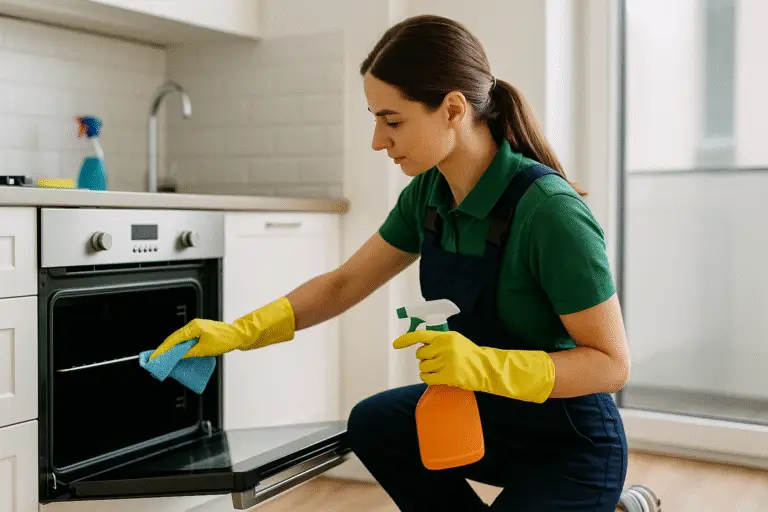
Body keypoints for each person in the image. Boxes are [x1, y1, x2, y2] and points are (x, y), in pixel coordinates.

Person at [150, 14, 631, 511]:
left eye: (392, 120)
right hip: (483, 416)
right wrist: (239, 332)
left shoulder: (550, 212)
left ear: (452, 109)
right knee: (375, 424)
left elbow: (611, 365)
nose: (378, 141)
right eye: (375, 118)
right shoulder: (429, 194)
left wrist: (487, 366)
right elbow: (344, 283)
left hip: (569, 444)